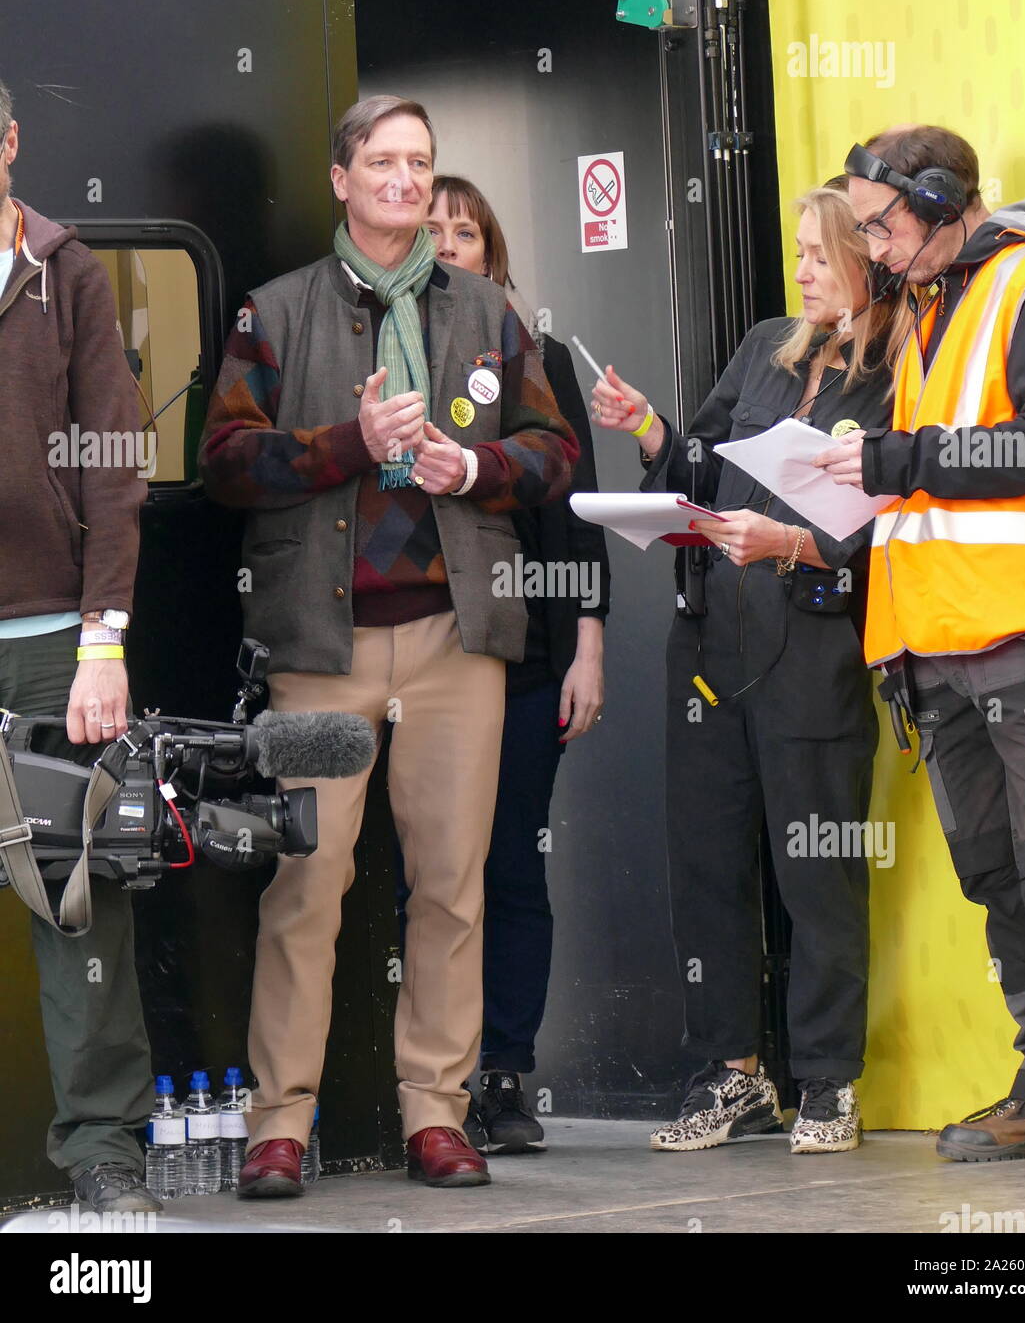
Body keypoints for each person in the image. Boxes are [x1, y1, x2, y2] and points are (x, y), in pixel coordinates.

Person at [198, 96, 578, 1192]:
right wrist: (346, 445)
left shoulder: (491, 313)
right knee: (307, 888)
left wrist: (480, 469)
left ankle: (435, 1115)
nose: (406, 181)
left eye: (421, 163)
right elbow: (224, 462)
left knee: (454, 888)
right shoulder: (275, 314)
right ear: (341, 177)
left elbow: (554, 450)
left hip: (458, 641)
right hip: (321, 647)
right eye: (384, 161)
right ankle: (279, 1125)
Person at [592, 183, 907, 1153]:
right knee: (710, 869)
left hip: (813, 650)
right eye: (799, 251)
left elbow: (900, 524)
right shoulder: (766, 347)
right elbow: (699, 466)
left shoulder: (900, 374)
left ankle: (827, 1079)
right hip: (711, 652)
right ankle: (729, 1072)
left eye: (820, 253)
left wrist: (796, 545)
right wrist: (649, 431)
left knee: (815, 870)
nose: (802, 269)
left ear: (866, 261)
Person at [820, 124, 1025, 1177]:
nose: (876, 249)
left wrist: (901, 456)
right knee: (1001, 879)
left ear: (940, 198)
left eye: (883, 224)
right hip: (935, 652)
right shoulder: (925, 311)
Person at [425, 177, 610, 1152]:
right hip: (417, 659)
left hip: (531, 656)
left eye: (468, 231)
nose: (450, 243)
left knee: (509, 867)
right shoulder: (390, 355)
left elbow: (575, 510)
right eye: (434, 230)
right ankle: (427, 1081)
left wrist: (588, 641)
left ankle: (503, 1076)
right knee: (430, 875)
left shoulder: (535, 358)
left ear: (492, 253)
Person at [0, 79, 159, 1211]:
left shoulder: (72, 273)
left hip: (59, 642)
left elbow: (114, 457)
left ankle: (104, 1157)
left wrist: (104, 640)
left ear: (7, 141)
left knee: (80, 904)